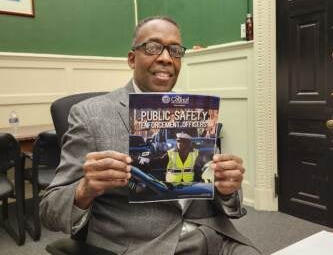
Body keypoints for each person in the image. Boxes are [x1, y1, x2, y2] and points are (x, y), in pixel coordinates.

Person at [40, 16, 261, 255]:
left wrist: (227, 188)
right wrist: (84, 190)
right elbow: (49, 209)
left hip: (214, 236)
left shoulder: (195, 110)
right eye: (153, 47)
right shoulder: (89, 114)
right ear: (132, 59)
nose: (166, 58)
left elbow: (211, 190)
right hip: (145, 246)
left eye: (175, 50)